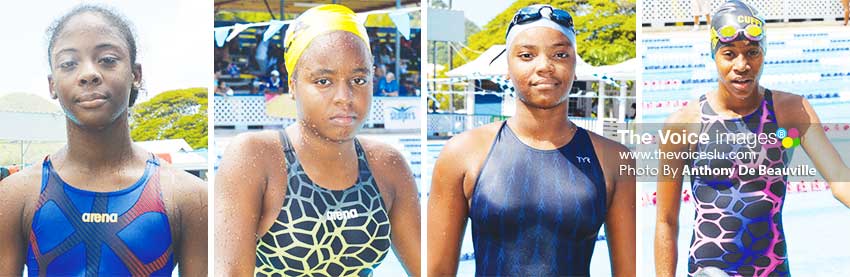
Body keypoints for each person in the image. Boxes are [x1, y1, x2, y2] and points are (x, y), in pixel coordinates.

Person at [428, 4, 636, 276]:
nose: (545, 67)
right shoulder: (462, 154)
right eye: (526, 55)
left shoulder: (614, 160)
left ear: (575, 65)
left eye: (560, 54)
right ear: (507, 67)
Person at [0, 4, 207, 276]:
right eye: (69, 63)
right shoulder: (15, 195)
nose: (88, 74)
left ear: (136, 74)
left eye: (107, 59)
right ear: (52, 84)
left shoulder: (187, 196)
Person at [215, 4, 420, 276]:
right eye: (323, 81)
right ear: (292, 84)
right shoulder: (255, 158)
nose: (344, 97)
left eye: (359, 80)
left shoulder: (388, 166)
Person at [654, 1, 850, 276]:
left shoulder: (790, 112)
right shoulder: (684, 123)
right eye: (729, 53)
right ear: (714, 55)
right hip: (709, 271)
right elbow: (665, 221)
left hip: (772, 269)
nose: (742, 65)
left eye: (752, 52)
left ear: (764, 53)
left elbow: (841, 179)